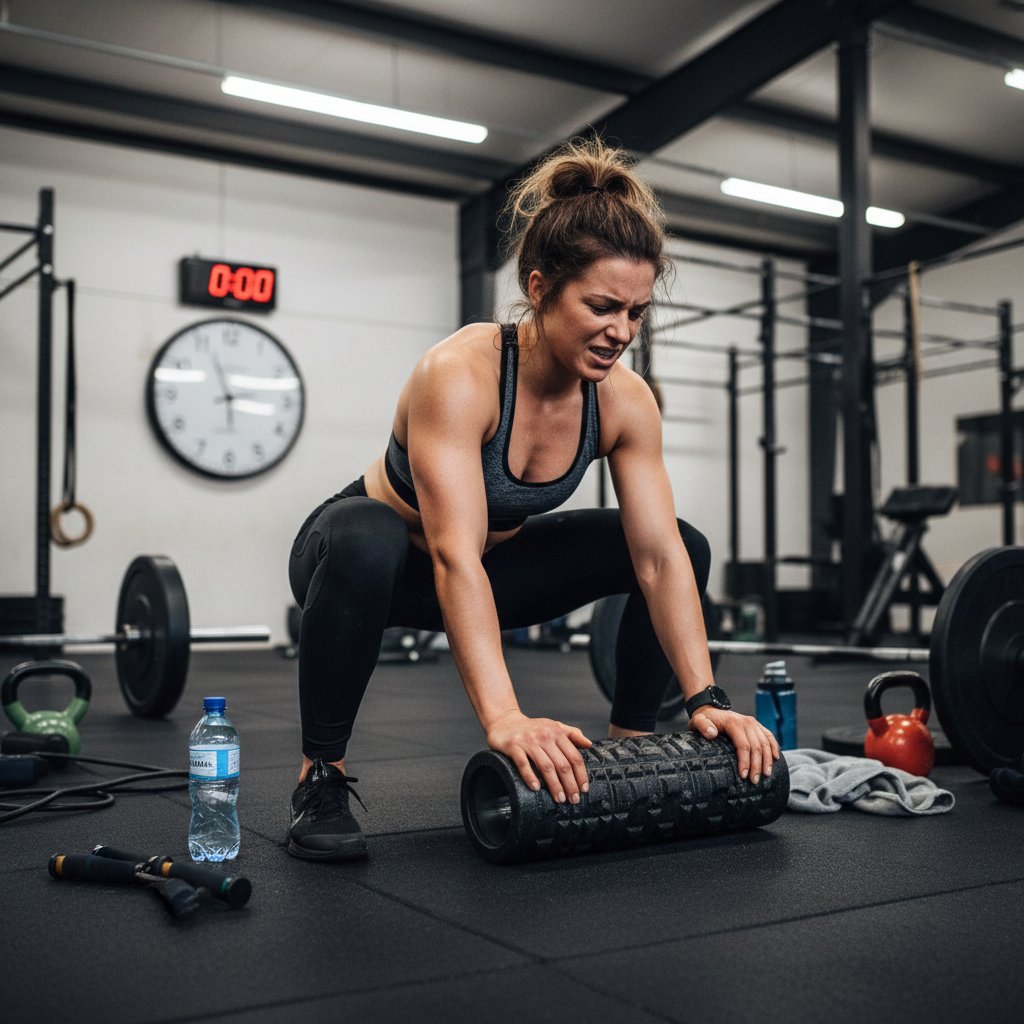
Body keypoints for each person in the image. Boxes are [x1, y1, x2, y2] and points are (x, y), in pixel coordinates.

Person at [286, 137, 781, 861]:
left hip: (495, 568)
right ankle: (320, 777)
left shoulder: (625, 401)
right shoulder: (460, 373)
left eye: (638, 313)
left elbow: (658, 559)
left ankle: (634, 752)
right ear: (541, 285)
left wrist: (707, 699)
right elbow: (455, 555)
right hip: (369, 570)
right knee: (369, 533)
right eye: (603, 306)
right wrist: (506, 717)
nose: (621, 332)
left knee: (686, 540)